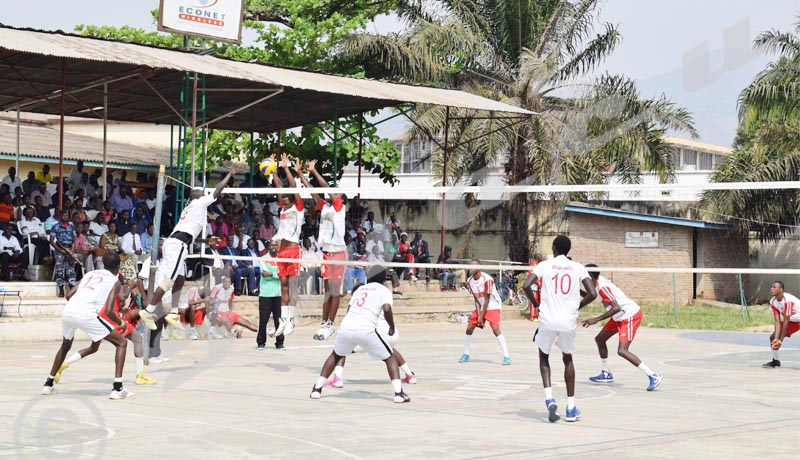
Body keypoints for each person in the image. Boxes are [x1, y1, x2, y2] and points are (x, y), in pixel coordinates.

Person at [138, 166, 236, 330]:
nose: (205, 194)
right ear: (198, 195)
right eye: (203, 193)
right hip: (177, 245)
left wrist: (205, 241)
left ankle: (174, 312)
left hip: (179, 243)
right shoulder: (199, 203)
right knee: (168, 280)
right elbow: (218, 190)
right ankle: (149, 310)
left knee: (181, 276)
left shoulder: (190, 208)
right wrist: (229, 174)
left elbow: (189, 233)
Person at [523, 235, 596, 423]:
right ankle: (571, 408)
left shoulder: (544, 265)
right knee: (568, 359)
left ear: (554, 247)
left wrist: (535, 303)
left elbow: (526, 285)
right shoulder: (578, 267)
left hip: (547, 320)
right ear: (568, 250)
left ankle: (549, 399)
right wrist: (577, 307)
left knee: (543, 356)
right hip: (567, 321)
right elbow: (592, 293)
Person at [41, 252, 133, 399]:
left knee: (65, 345)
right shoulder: (114, 281)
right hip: (87, 314)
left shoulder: (90, 274)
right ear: (118, 267)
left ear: (102, 262)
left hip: (69, 311)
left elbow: (69, 295)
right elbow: (109, 311)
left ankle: (48, 384)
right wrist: (121, 323)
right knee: (121, 342)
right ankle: (118, 388)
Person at [309, 270, 410, 403]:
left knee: (335, 356)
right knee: (390, 358)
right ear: (384, 278)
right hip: (366, 329)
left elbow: (349, 310)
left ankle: (317, 389)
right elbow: (386, 309)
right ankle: (399, 393)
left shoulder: (360, 289)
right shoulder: (384, 290)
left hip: (347, 326)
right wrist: (391, 326)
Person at [54, 279, 157, 387]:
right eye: (124, 284)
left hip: (100, 317)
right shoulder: (117, 285)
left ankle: (65, 364)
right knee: (136, 339)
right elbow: (122, 298)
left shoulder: (100, 283)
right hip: (113, 318)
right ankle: (139, 376)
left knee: (93, 348)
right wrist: (132, 289)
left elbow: (138, 282)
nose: (125, 285)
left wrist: (140, 294)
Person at [582, 264, 662, 391]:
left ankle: (653, 375)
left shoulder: (603, 287)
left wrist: (596, 319)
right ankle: (606, 373)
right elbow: (591, 295)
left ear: (590, 276)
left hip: (629, 315)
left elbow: (616, 307)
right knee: (600, 339)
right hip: (618, 316)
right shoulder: (596, 284)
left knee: (622, 351)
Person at [295, 159, 347, 340]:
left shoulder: (340, 207)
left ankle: (331, 323)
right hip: (326, 252)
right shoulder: (325, 207)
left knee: (334, 290)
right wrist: (301, 173)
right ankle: (324, 324)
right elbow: (313, 191)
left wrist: (315, 171)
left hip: (339, 251)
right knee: (327, 290)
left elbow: (325, 187)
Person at [270, 155, 304, 337]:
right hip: (282, 250)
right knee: (282, 284)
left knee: (292, 285)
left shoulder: (297, 208)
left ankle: (291, 319)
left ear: (291, 200)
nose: (282, 202)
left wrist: (287, 168)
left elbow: (292, 187)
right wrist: (274, 170)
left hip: (293, 249)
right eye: (281, 200)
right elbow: (279, 187)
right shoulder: (283, 209)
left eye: (285, 200)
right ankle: (283, 320)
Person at [458, 259, 511, 365]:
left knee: (495, 329)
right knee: (469, 328)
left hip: (493, 305)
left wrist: (481, 317)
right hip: (481, 305)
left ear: (478, 268)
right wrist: (478, 316)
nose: (470, 268)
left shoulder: (487, 279)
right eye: (469, 266)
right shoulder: (469, 281)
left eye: (473, 266)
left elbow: (487, 299)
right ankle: (466, 353)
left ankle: (506, 356)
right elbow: (476, 299)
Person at [763, 280, 800, 368]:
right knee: (772, 338)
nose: (771, 289)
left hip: (795, 319)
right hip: (794, 320)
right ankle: (775, 361)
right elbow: (777, 321)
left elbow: (786, 320)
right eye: (771, 287)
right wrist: (776, 338)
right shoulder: (773, 302)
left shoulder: (788, 300)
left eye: (774, 287)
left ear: (780, 290)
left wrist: (780, 341)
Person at [257, 241, 284, 349]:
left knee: (279, 320)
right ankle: (261, 342)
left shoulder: (281, 259)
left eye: (275, 245)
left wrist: (272, 274)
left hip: (278, 293)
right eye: (272, 245)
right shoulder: (263, 259)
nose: (273, 247)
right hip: (266, 294)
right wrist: (277, 274)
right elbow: (264, 274)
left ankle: (280, 342)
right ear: (268, 247)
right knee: (263, 320)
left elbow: (284, 274)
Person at [49, 209, 77, 297]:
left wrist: (72, 250)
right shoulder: (56, 226)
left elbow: (74, 240)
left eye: (67, 215)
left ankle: (72, 289)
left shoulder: (71, 226)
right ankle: (61, 290)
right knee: (60, 270)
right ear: (60, 216)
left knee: (71, 270)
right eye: (64, 215)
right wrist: (59, 250)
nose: (66, 217)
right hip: (60, 250)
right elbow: (52, 241)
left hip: (69, 249)